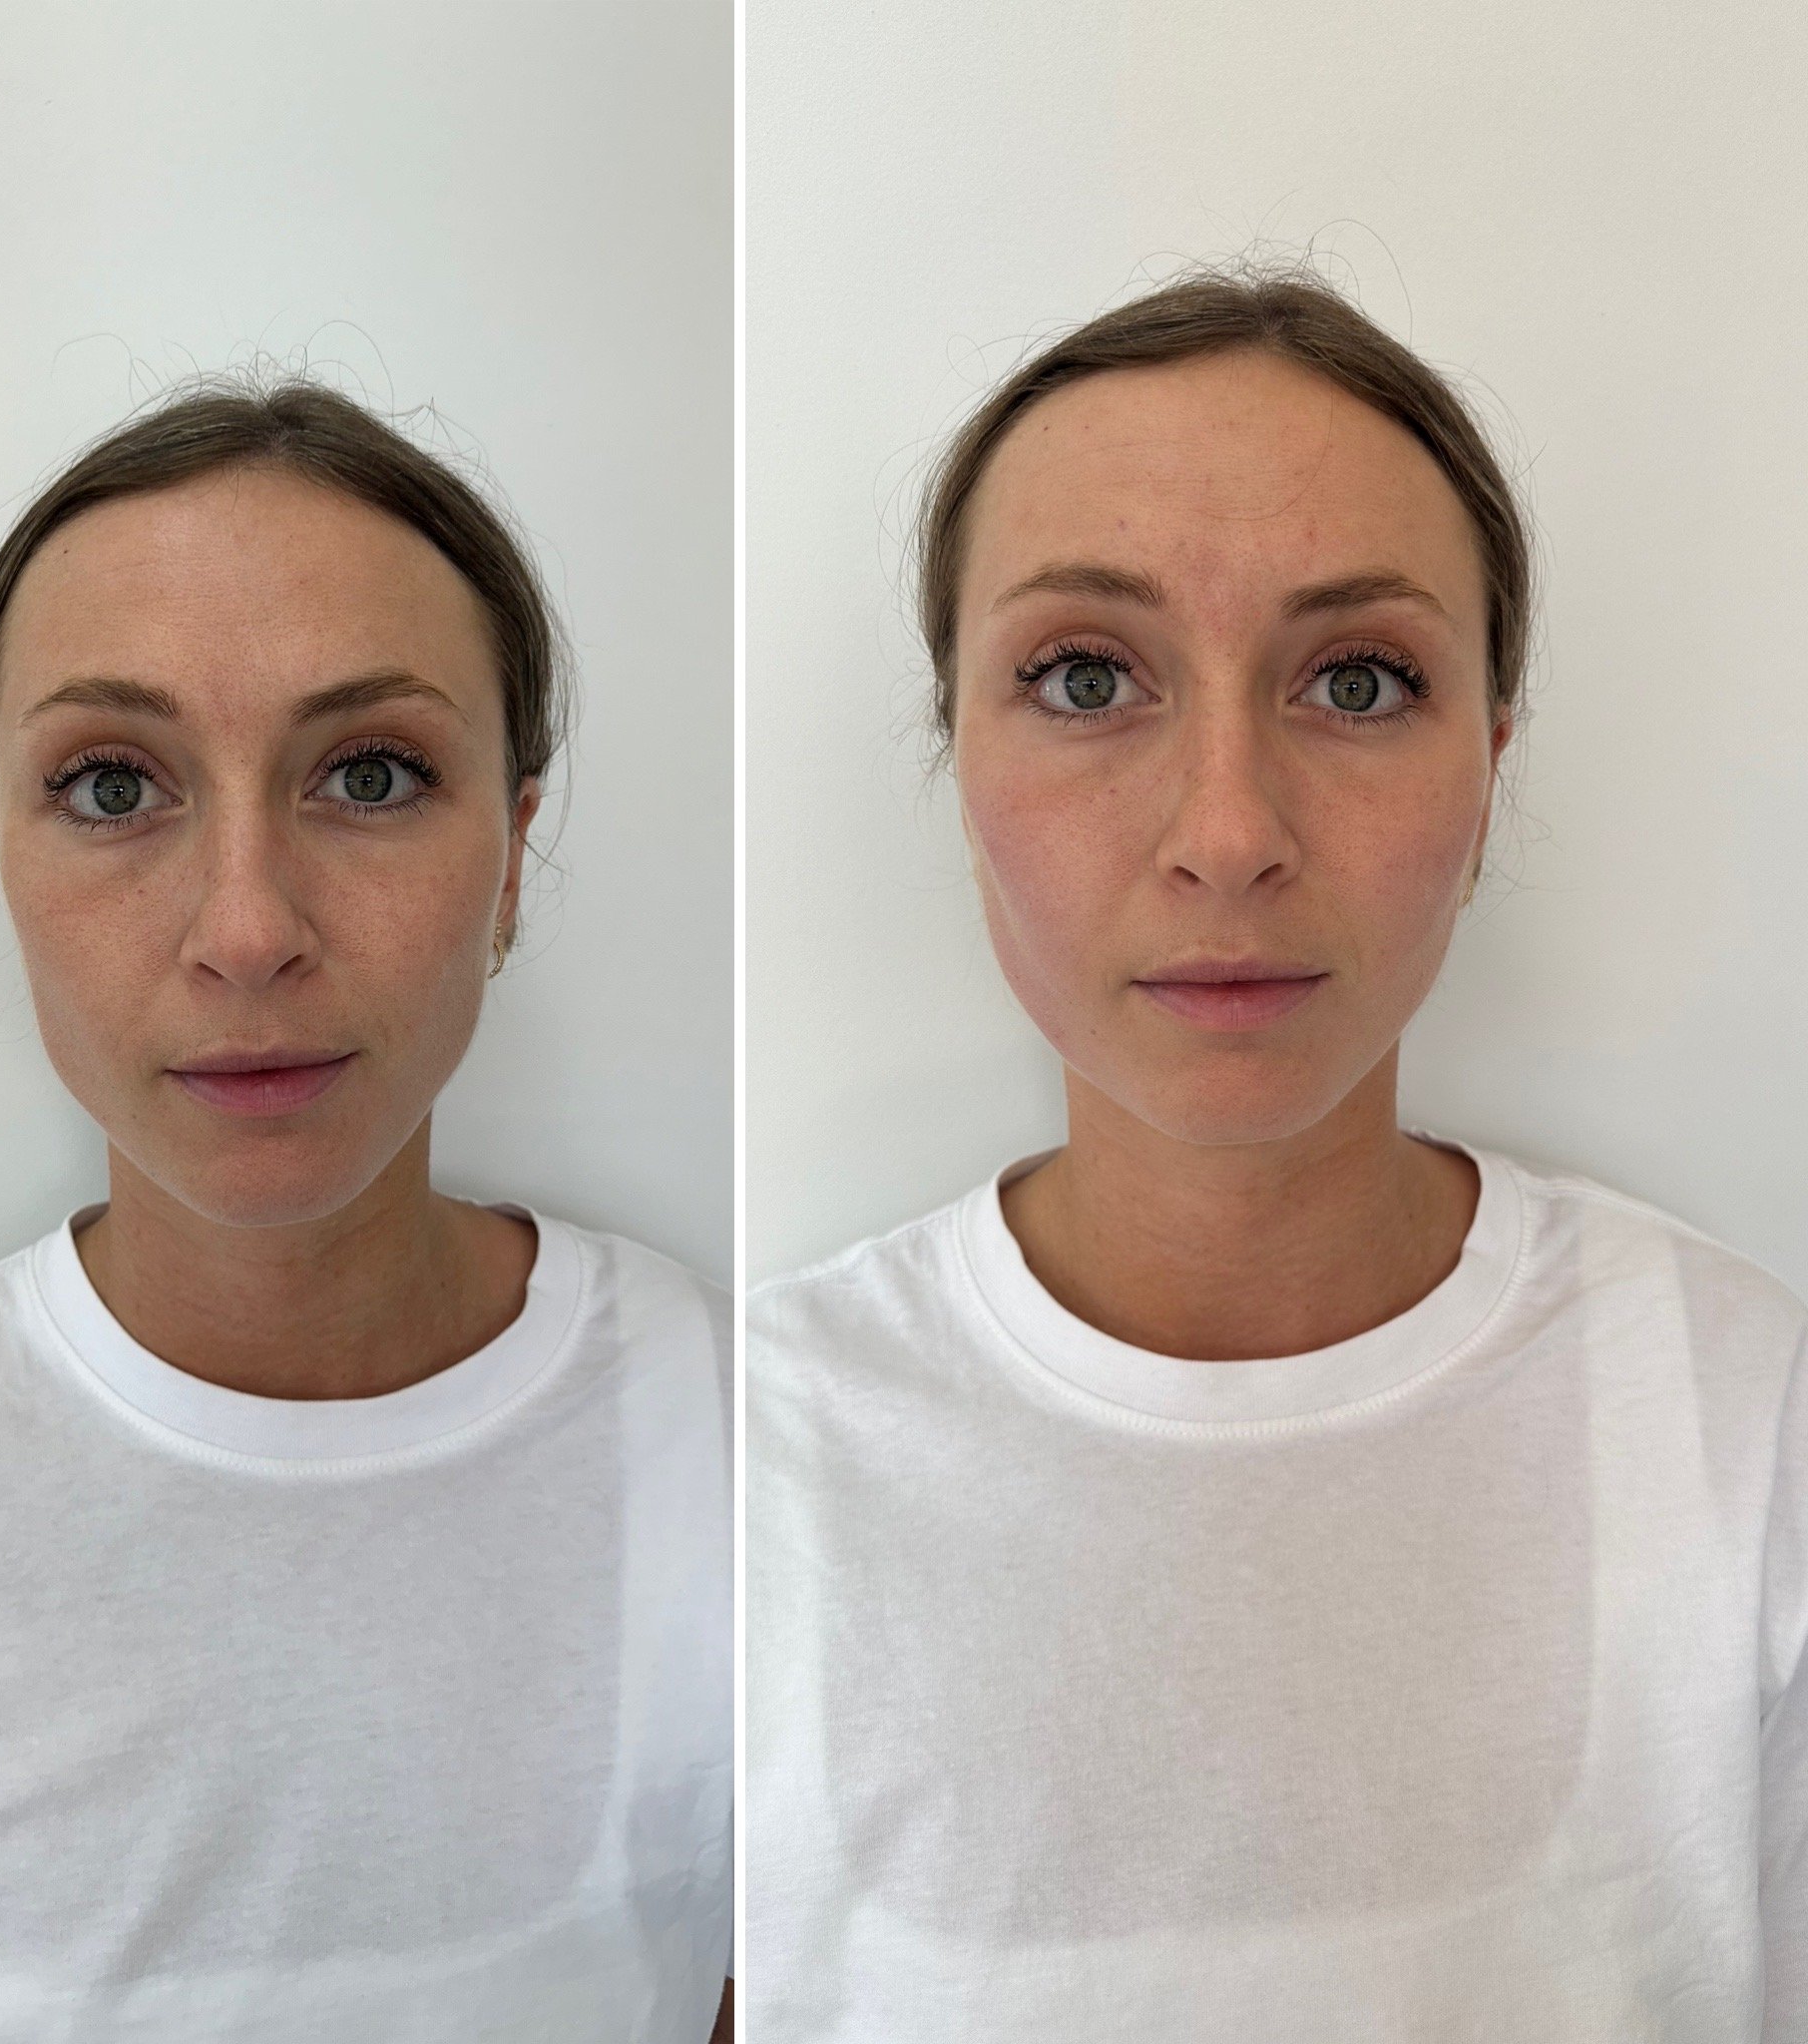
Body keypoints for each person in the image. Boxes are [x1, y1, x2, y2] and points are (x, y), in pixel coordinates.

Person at [747, 269, 1808, 2041]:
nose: (1229, 832)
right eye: (1088, 676)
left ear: (1490, 766)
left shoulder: (1742, 1422)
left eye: (1360, 681)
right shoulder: (761, 1463)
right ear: (956, 753)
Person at [0, 381, 732, 2042]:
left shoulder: (737, 1432)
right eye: (111, 788)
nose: (245, 930)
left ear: (511, 857)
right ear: (3, 855)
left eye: (371, 773)